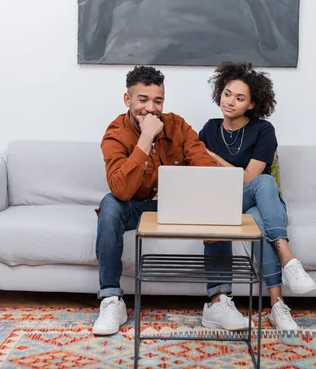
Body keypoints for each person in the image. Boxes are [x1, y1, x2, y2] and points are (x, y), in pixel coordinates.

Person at [92, 65, 251, 336]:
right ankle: (111, 300)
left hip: (178, 206)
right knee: (109, 204)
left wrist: (208, 207)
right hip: (137, 207)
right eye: (143, 100)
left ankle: (218, 301)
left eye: (158, 101)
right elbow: (120, 190)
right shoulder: (115, 133)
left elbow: (205, 166)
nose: (151, 108)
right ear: (127, 100)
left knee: (214, 198)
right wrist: (145, 138)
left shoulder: (177, 125)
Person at [199, 61, 316, 330]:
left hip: (259, 200)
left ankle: (277, 306)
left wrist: (215, 157)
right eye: (227, 93)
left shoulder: (263, 130)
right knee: (262, 188)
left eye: (239, 98)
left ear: (251, 105)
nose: (230, 101)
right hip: (224, 202)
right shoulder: (209, 128)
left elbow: (250, 178)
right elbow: (195, 171)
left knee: (262, 196)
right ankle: (288, 259)